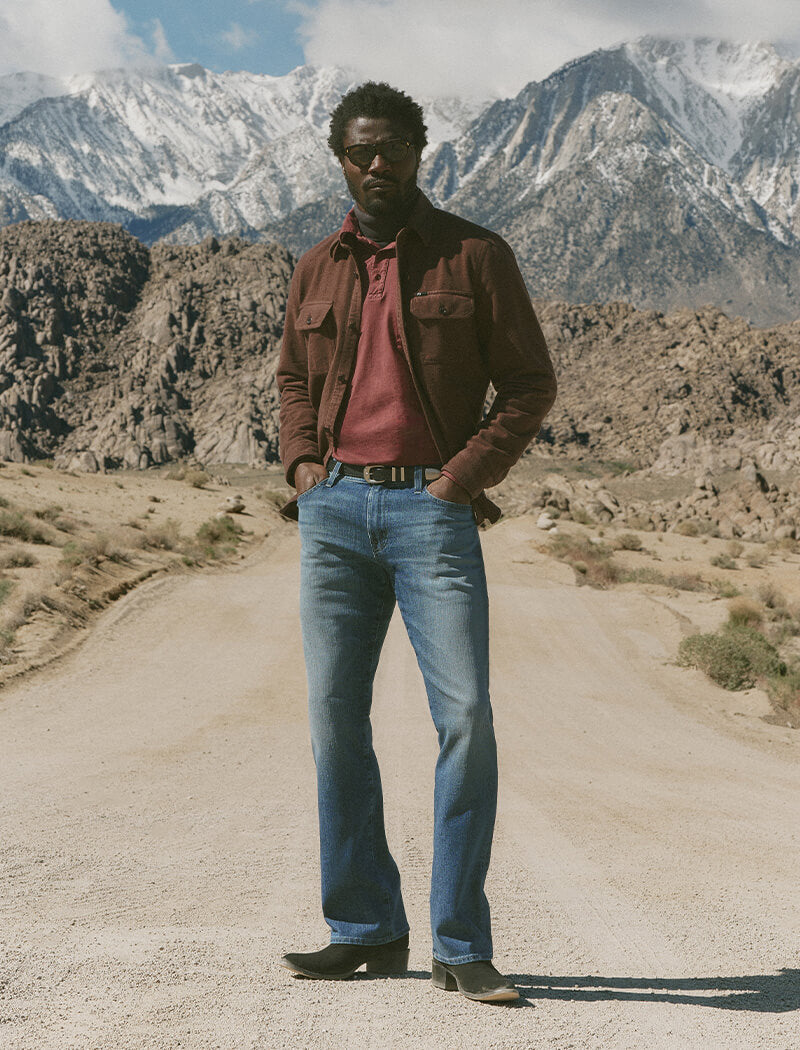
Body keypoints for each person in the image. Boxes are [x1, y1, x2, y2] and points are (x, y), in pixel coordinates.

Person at [276, 81, 557, 1003]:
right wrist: (305, 470)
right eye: (360, 151)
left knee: (465, 719)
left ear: (419, 150)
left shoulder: (476, 254)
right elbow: (288, 381)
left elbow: (528, 385)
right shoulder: (316, 265)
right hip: (335, 513)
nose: (377, 164)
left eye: (392, 148)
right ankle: (363, 928)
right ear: (339, 158)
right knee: (333, 726)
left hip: (430, 514)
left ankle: (459, 943)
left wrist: (455, 484)